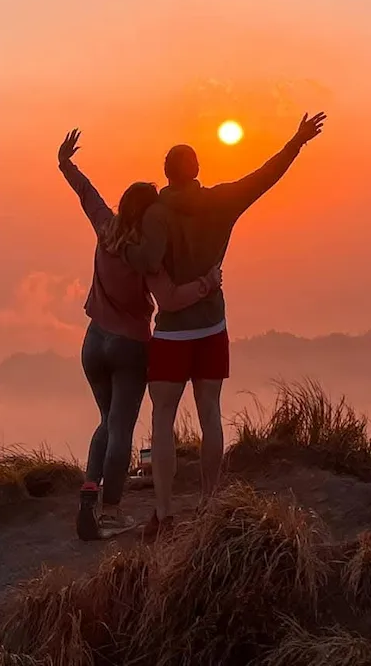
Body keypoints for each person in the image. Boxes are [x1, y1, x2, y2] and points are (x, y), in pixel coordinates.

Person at [125, 111, 327, 540]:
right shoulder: (221, 202)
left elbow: (147, 261)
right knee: (210, 415)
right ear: (197, 171)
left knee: (162, 419)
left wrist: (128, 248)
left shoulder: (157, 214)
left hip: (173, 331)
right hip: (212, 326)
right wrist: (296, 141)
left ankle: (163, 514)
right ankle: (208, 502)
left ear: (166, 174)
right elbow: (264, 176)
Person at [57, 128, 221, 541]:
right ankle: (110, 514)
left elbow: (87, 195)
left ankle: (89, 494)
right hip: (129, 346)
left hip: (93, 342)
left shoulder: (106, 228)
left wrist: (66, 163)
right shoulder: (146, 255)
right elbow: (169, 299)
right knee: (122, 428)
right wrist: (207, 284)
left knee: (104, 422)